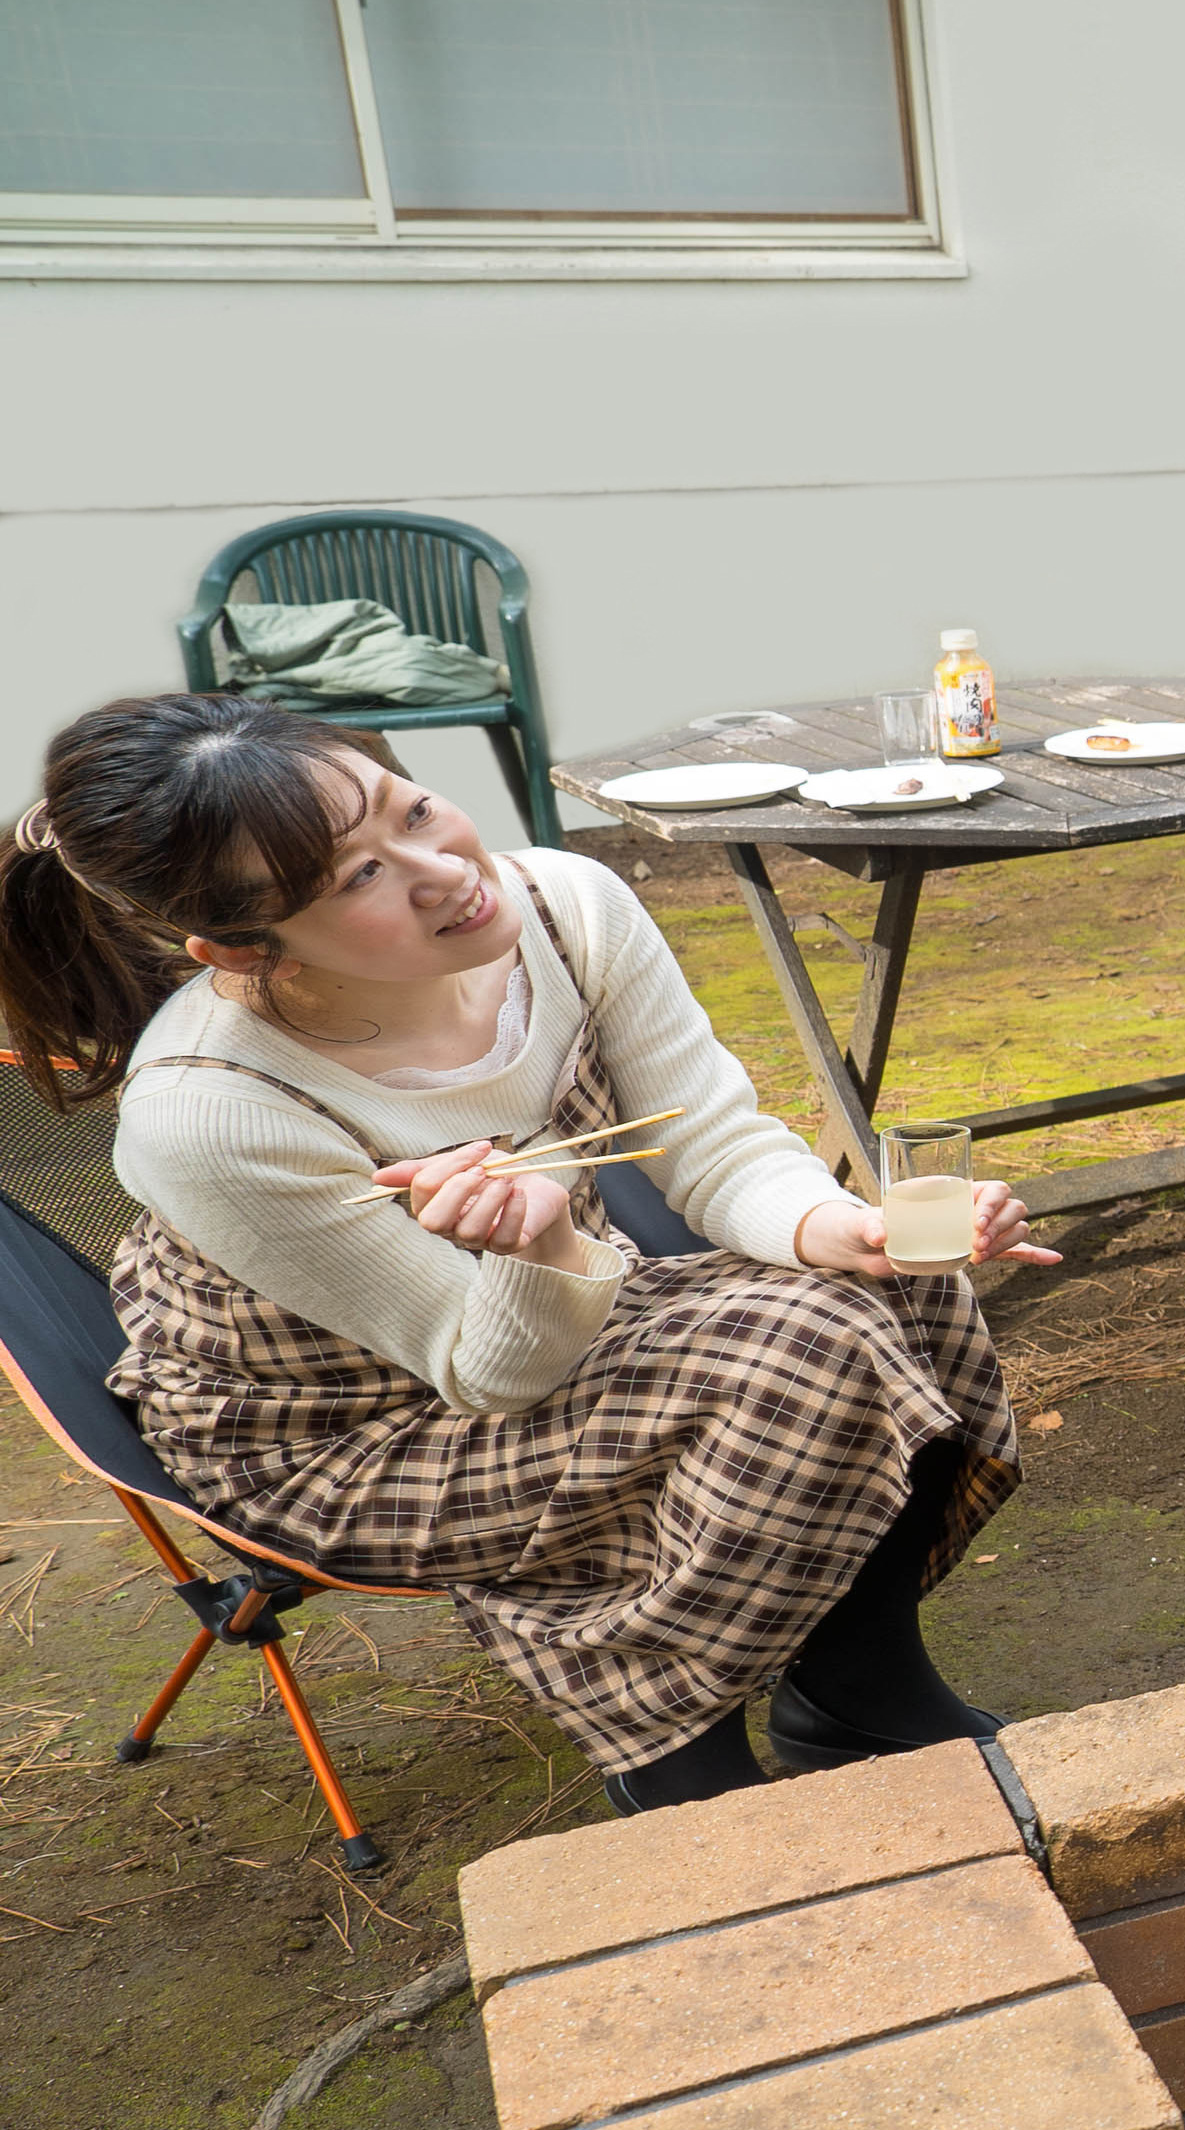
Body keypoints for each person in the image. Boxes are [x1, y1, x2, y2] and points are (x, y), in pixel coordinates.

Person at [0, 695, 1054, 1815]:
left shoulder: (567, 905)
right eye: (355, 879)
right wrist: (546, 1236)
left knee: (894, 1295)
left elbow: (712, 1141)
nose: (440, 868)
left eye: (411, 810)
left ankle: (857, 1694)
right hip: (341, 1427)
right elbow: (486, 1371)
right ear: (239, 949)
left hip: (554, 1303)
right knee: (804, 1351)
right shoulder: (214, 1111)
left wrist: (847, 1229)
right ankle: (668, 1751)